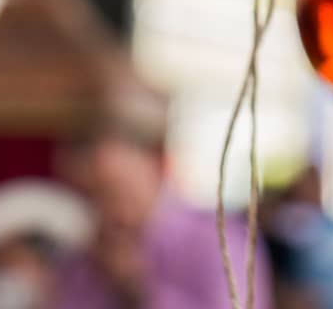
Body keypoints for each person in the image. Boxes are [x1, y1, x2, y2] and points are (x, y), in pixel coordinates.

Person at [53, 79, 272, 309]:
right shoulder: (85, 258)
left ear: (154, 160)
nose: (108, 210)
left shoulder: (218, 239)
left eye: (114, 190)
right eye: (92, 196)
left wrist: (135, 287)